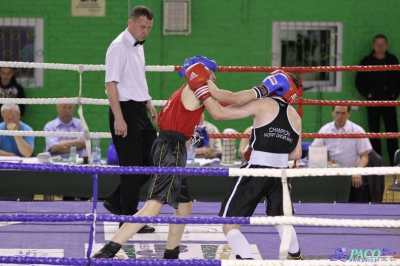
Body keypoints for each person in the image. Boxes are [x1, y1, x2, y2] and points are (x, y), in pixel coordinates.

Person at [91, 55, 286, 259]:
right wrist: (263, 91)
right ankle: (108, 250)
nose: (215, 79)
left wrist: (192, 139)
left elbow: (171, 130)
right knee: (154, 206)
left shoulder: (183, 93)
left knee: (185, 206)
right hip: (171, 150)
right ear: (205, 71)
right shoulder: (198, 84)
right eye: (213, 74)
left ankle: (171, 253)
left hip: (171, 147)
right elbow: (230, 101)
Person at [201, 69, 304, 260]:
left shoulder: (263, 104)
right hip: (282, 173)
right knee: (282, 222)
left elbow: (220, 114)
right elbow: (297, 153)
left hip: (257, 169)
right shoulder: (295, 116)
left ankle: (246, 261)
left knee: (229, 224)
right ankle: (297, 259)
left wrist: (202, 88)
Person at [102, 5, 158, 234]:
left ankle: (116, 202)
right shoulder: (118, 47)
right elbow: (110, 84)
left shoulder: (138, 46)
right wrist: (119, 117)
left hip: (139, 110)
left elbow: (136, 77)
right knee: (132, 167)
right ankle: (128, 220)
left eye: (149, 28)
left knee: (154, 161)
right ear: (131, 23)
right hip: (123, 110)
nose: (145, 31)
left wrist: (147, 101)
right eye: (142, 26)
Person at [311, 106, 373, 202]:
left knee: (357, 182)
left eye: (343, 113)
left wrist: (357, 171)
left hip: (351, 174)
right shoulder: (325, 129)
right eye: (337, 112)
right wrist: (323, 153)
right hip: (330, 174)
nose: (339, 116)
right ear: (333, 113)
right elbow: (315, 149)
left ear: (349, 114)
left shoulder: (357, 131)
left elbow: (364, 157)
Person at [355, 34, 400, 166]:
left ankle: (395, 164)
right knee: (374, 133)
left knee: (392, 132)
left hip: (389, 101)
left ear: (386, 45)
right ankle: (377, 164)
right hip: (373, 102)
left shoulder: (392, 60)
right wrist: (368, 94)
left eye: (382, 44)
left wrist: (394, 95)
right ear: (373, 45)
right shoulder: (366, 61)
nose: (380, 47)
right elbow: (359, 81)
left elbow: (398, 79)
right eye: (377, 44)